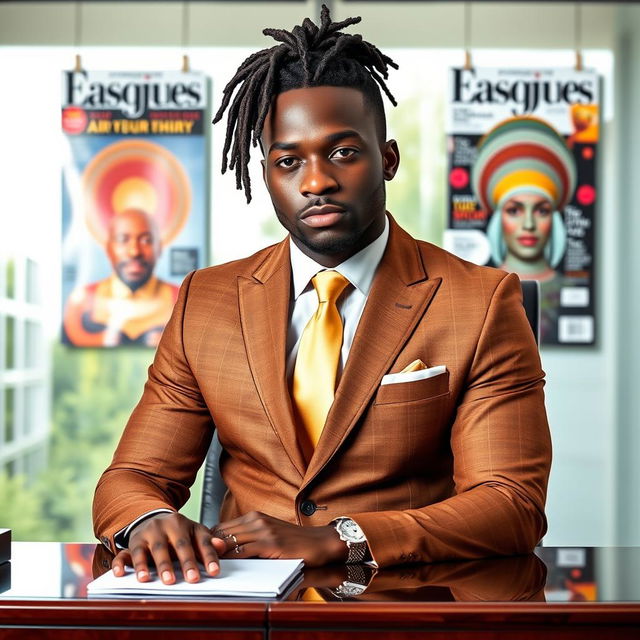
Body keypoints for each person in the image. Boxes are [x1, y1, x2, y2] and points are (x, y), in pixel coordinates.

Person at [93, 6, 551, 584]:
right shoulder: (206, 301)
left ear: (387, 159)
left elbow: (510, 503)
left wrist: (340, 540)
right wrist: (148, 520)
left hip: (401, 602)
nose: (316, 182)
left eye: (342, 152)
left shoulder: (481, 302)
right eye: (289, 162)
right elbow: (132, 477)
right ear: (267, 177)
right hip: (244, 600)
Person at [473, 116, 575, 281]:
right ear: (498, 218)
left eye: (541, 211)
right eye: (514, 211)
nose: (529, 224)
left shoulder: (571, 289)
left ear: (554, 218)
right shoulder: (481, 290)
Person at [63, 208, 179, 347]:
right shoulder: (81, 302)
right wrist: (100, 340)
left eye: (146, 240)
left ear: (159, 248)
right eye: (123, 239)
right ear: (108, 248)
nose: (134, 251)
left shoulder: (180, 298)